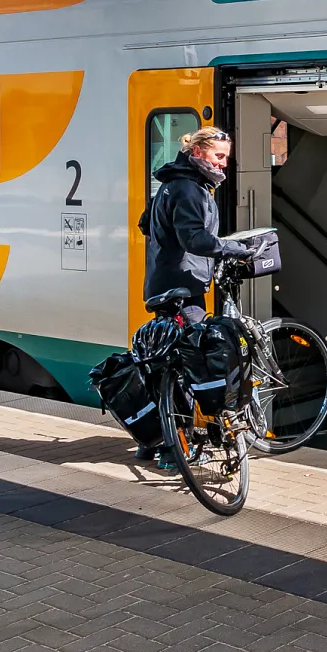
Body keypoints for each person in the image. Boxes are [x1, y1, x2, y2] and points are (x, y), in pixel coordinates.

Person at [138, 127, 253, 464]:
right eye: (219, 156)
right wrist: (235, 248)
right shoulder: (189, 188)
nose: (224, 164)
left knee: (167, 363)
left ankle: (154, 440)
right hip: (182, 287)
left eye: (226, 158)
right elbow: (194, 239)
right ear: (199, 153)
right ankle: (176, 450)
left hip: (164, 282)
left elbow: (147, 224)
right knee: (193, 364)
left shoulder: (173, 183)